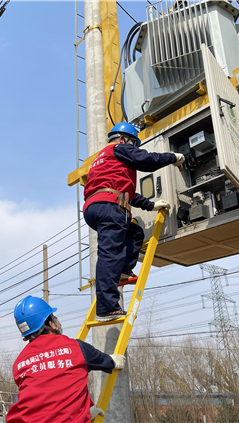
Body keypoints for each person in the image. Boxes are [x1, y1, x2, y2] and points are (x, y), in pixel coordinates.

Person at [83, 122, 184, 321]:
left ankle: (122, 270)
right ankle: (106, 308)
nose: (134, 148)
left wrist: (151, 205)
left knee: (134, 233)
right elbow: (146, 160)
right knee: (109, 254)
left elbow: (125, 191)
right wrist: (173, 157)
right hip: (110, 206)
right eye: (133, 144)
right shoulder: (120, 148)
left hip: (97, 205)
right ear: (124, 139)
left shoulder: (103, 158)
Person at [6, 296, 126, 423]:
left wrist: (84, 410)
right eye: (54, 318)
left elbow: (45, 392)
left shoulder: (19, 363)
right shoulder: (76, 348)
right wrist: (113, 361)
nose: (57, 321)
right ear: (51, 324)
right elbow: (103, 360)